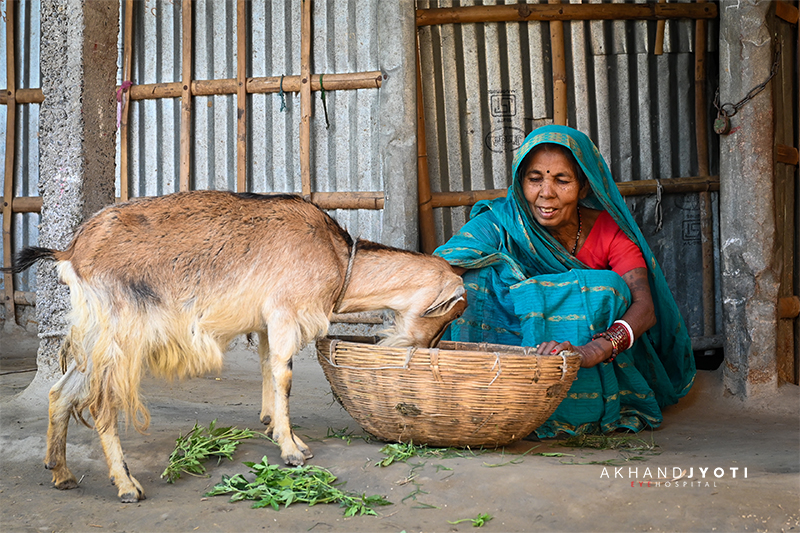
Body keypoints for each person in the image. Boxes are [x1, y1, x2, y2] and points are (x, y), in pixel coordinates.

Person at [434, 125, 696, 437]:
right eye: (535, 179)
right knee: (473, 280)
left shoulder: (609, 232)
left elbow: (645, 308)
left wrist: (598, 348)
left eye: (562, 180)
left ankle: (574, 409)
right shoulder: (503, 221)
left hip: (586, 353)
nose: (546, 193)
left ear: (584, 186)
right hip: (516, 341)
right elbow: (442, 269)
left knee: (609, 289)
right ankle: (483, 398)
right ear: (520, 182)